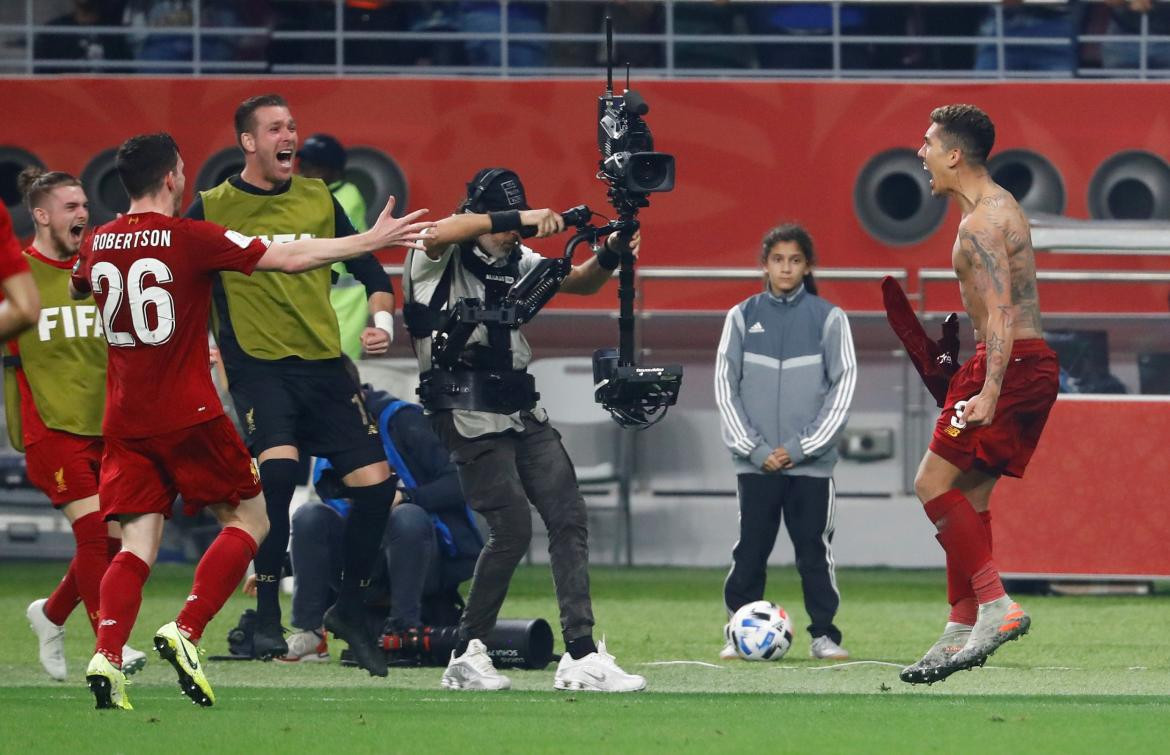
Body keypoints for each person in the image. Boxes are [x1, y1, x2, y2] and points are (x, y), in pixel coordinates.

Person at [72, 132, 431, 710]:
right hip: (186, 412)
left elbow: (83, 284)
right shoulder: (191, 237)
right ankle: (186, 631)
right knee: (251, 514)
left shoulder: (98, 242)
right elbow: (288, 257)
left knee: (136, 542)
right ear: (170, 179)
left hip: (124, 418)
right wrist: (369, 241)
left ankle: (107, 654)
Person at [403, 167, 645, 693]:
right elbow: (439, 231)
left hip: (518, 407)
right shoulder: (436, 254)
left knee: (568, 514)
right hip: (463, 409)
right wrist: (525, 217)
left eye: (516, 224)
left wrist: (611, 251)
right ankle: (467, 651)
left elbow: (577, 282)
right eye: (503, 223)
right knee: (511, 528)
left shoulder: (515, 259)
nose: (514, 235)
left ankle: (580, 653)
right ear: (479, 214)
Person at [186, 94, 401, 674]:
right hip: (258, 365)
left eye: (293, 127)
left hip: (325, 366)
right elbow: (180, 277)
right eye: (276, 128)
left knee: (378, 489)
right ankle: (263, 617)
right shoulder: (210, 207)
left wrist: (381, 322)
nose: (290, 137)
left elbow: (370, 268)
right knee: (277, 476)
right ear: (249, 143)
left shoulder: (318, 198)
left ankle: (349, 609)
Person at [901, 104, 1058, 685]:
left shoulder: (981, 225)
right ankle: (961, 621)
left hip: (1009, 365)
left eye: (927, 143)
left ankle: (995, 606)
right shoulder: (996, 207)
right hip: (1024, 363)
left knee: (930, 483)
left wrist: (988, 390)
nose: (921, 153)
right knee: (970, 492)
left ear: (953, 154)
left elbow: (1000, 310)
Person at [10, 169, 148, 681]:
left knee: (111, 542)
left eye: (84, 204)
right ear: (41, 215)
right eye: (70, 206)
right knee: (94, 536)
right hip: (49, 425)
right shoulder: (17, 275)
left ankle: (49, 615)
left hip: (107, 424)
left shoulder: (98, 270)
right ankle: (110, 644)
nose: (83, 214)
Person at [714, 223, 857, 662]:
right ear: (764, 265)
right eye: (778, 259)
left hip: (810, 467)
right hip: (755, 465)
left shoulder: (829, 318)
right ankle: (738, 631)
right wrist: (755, 450)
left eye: (795, 260)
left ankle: (825, 636)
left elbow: (844, 385)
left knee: (814, 551)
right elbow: (724, 385)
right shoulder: (741, 316)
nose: (786, 267)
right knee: (751, 549)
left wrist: (799, 448)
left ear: (807, 265)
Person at [277, 359, 480, 662]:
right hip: (365, 563)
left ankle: (403, 631)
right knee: (310, 516)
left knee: (405, 516)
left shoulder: (403, 421)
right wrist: (283, 565)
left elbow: (462, 483)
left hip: (427, 554)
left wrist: (405, 497)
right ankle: (311, 633)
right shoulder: (327, 436)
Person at [297, 133, 370, 361]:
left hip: (345, 302)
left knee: (341, 368)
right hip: (315, 298)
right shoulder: (308, 195)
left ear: (335, 170)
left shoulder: (348, 197)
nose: (305, 171)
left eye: (315, 166)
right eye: (304, 164)